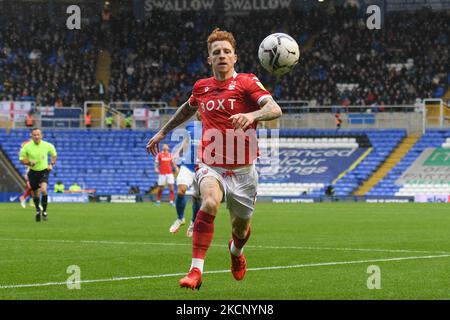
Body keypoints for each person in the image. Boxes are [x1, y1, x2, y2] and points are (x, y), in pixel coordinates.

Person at [146, 28, 282, 290]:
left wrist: (252, 116)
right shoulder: (202, 87)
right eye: (216, 52)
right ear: (209, 59)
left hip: (243, 172)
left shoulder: (247, 82)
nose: (221, 55)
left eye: (226, 52)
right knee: (209, 203)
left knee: (240, 232)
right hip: (211, 165)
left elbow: (274, 108)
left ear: (235, 57)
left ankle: (236, 253)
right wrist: (163, 132)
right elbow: (187, 108)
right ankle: (195, 271)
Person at [169, 120, 202, 237]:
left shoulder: (214, 124)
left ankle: (193, 223)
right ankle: (180, 218)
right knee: (181, 190)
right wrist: (178, 152)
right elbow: (187, 139)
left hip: (203, 168)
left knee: (197, 198)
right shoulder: (191, 125)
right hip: (187, 165)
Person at [19, 128, 57, 222]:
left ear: (41, 135)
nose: (36, 136)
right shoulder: (27, 147)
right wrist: (28, 163)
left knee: (44, 189)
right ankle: (37, 210)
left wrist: (51, 164)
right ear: (31, 136)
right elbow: (21, 159)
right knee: (35, 193)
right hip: (32, 172)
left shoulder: (47, 145)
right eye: (34, 135)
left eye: (38, 134)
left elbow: (54, 155)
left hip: (44, 171)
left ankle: (44, 211)